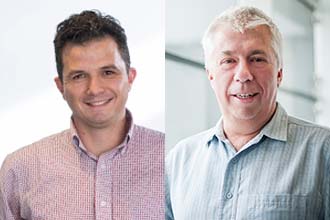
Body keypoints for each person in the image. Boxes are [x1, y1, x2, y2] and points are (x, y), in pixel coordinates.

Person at [166, 6, 329, 220]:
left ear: (279, 73)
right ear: (211, 75)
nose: (243, 74)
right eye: (228, 61)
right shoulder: (178, 161)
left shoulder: (323, 151)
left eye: (257, 59)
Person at [0, 10, 164, 220]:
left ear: (130, 77)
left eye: (108, 72)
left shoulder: (170, 161)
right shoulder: (20, 170)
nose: (94, 89)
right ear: (61, 87)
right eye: (78, 76)